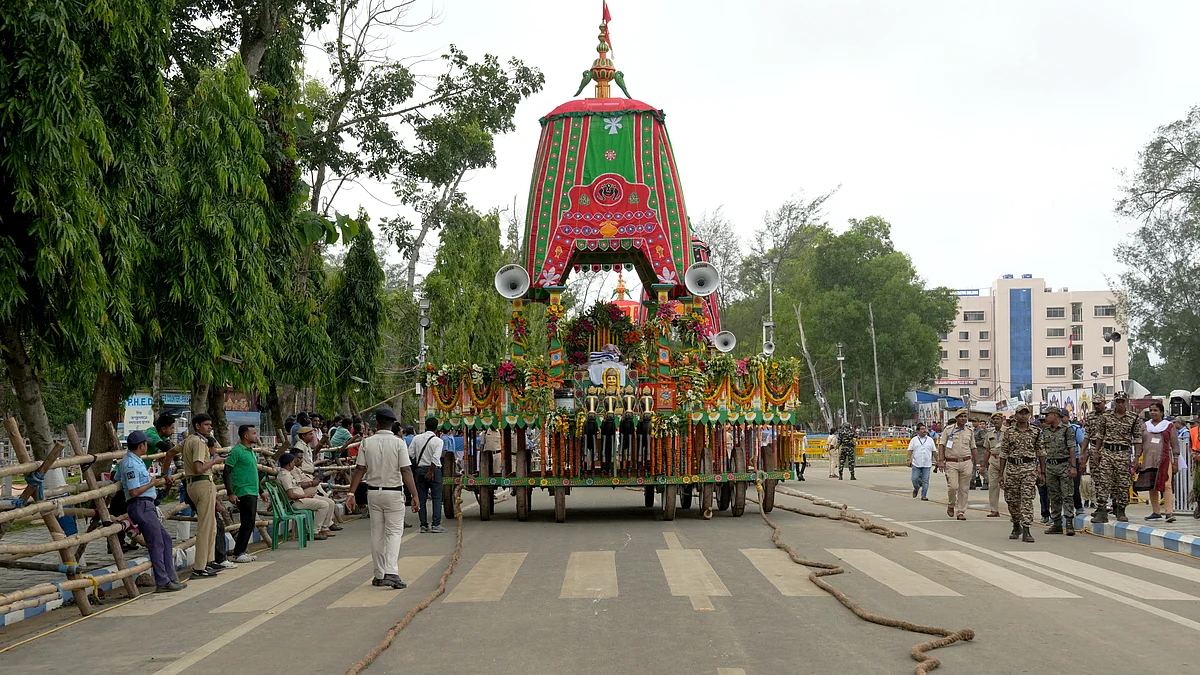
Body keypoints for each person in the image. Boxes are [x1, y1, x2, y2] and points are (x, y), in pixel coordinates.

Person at [346, 407, 420, 589]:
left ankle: (379, 574)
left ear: (377, 424)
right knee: (394, 533)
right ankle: (391, 572)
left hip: (373, 493)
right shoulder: (399, 443)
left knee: (376, 534)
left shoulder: (366, 443)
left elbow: (360, 469)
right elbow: (405, 470)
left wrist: (350, 493)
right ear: (393, 425)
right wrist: (416, 495)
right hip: (393, 493)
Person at [120, 431, 186, 592]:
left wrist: (154, 480)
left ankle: (170, 577)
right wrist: (152, 484)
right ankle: (162, 581)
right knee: (156, 542)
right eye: (145, 443)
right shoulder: (131, 464)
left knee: (165, 540)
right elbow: (134, 491)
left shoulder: (137, 461)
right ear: (141, 445)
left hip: (146, 504)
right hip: (140, 504)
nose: (147, 446)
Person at [1090, 391, 1144, 523]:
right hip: (1107, 452)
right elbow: (1099, 435)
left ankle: (1121, 509)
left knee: (1123, 483)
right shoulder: (1106, 416)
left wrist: (1137, 458)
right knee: (1104, 481)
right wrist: (1096, 451)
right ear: (1114, 402)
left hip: (1123, 453)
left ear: (1127, 402)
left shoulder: (1133, 418)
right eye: (1118, 401)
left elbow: (1137, 439)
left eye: (1122, 401)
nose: (1120, 404)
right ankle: (1101, 510)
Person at [180, 413, 223, 578]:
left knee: (211, 525)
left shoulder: (188, 440)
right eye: (206, 425)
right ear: (197, 426)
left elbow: (170, 453)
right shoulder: (198, 443)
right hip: (202, 481)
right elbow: (199, 468)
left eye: (210, 425)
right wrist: (214, 461)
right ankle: (199, 567)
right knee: (205, 527)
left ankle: (208, 561)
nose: (209, 427)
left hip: (194, 483)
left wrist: (165, 473)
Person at [999, 403, 1045, 542]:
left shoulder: (1035, 432)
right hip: (1012, 468)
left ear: (1029, 415)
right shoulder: (1009, 432)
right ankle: (1016, 524)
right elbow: (1003, 453)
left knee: (1027, 499)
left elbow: (1041, 452)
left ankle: (1026, 529)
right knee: (1012, 500)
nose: (1023, 415)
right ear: (1016, 415)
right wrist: (1001, 474)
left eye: (1026, 413)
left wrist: (1042, 472)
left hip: (1029, 468)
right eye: (1020, 413)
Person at [222, 424, 262, 563]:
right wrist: (231, 493)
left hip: (253, 490)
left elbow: (253, 472)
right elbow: (226, 471)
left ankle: (241, 550)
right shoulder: (237, 451)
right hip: (243, 491)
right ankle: (238, 553)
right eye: (254, 433)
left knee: (249, 522)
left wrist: (261, 491)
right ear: (246, 436)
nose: (256, 436)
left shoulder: (250, 451)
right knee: (247, 521)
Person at [276, 453, 337, 539]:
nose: (294, 464)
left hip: (300, 499)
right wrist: (305, 496)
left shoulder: (287, 474)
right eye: (293, 462)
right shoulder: (285, 476)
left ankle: (324, 528)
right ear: (289, 463)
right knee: (324, 505)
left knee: (330, 502)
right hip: (296, 502)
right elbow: (291, 495)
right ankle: (315, 531)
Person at [1139, 402, 1179, 523]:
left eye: (1155, 410)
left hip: (1164, 460)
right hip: (1148, 460)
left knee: (1167, 485)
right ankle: (1156, 512)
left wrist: (1175, 461)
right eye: (1151, 410)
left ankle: (1168, 512)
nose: (1152, 412)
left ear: (1161, 412)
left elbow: (1175, 444)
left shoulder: (1169, 426)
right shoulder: (1145, 426)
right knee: (1152, 486)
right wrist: (1136, 459)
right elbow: (1139, 444)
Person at [1040, 407, 1078, 536]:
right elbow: (1043, 451)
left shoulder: (1067, 430)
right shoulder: (1045, 431)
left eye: (1047, 415)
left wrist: (1073, 466)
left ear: (1054, 415)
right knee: (1054, 495)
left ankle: (1069, 523)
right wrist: (1042, 470)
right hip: (1051, 466)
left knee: (1067, 494)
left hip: (1064, 465)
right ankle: (1056, 523)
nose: (1045, 418)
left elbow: (1072, 448)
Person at [937, 409, 979, 520]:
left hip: (966, 461)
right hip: (951, 462)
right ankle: (951, 504)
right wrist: (940, 460)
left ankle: (961, 511)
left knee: (964, 488)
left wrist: (978, 463)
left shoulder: (969, 431)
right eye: (961, 417)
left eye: (965, 417)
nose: (963, 419)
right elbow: (941, 445)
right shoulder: (948, 430)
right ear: (956, 418)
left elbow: (973, 447)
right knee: (953, 487)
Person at [409, 417, 446, 533]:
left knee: (421, 498)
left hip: (420, 470)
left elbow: (411, 454)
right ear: (436, 428)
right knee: (436, 498)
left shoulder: (416, 438)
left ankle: (423, 525)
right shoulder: (438, 441)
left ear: (425, 426)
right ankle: (436, 524)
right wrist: (430, 471)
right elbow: (435, 458)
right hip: (434, 471)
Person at [982, 412, 1006, 517]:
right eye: (994, 419)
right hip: (993, 460)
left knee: (1007, 485)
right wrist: (983, 465)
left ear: (1002, 420)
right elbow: (987, 450)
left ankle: (1013, 508)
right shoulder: (989, 433)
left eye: (998, 419)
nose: (996, 421)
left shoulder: (1008, 432)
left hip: (1006, 461)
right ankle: (994, 509)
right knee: (993, 486)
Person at [907, 423, 935, 500]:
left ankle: (924, 495)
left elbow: (934, 451)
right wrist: (908, 459)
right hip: (916, 463)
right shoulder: (914, 440)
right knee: (914, 479)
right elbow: (910, 450)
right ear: (918, 431)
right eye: (922, 429)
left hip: (927, 464)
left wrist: (938, 461)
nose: (924, 430)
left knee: (925, 480)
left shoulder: (930, 440)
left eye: (924, 429)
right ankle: (916, 488)